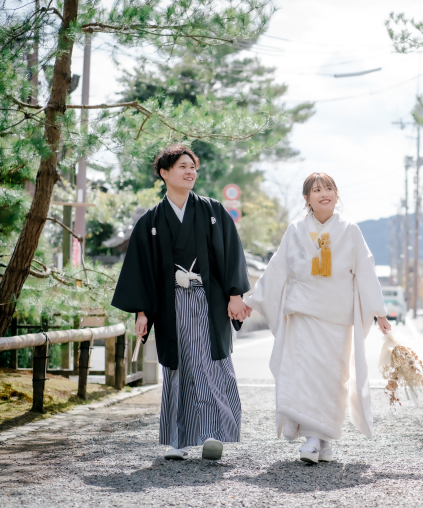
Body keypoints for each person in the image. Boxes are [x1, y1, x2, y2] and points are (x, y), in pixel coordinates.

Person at [111, 144, 251, 461]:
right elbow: (141, 269)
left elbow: (231, 254)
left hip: (208, 300)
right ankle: (178, 437)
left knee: (214, 365)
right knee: (178, 368)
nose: (190, 172)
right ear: (164, 173)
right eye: (182, 167)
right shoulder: (151, 221)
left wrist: (235, 294)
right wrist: (142, 312)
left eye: (193, 167)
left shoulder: (213, 211)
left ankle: (214, 434)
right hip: (171, 305)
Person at [246, 172, 390, 464]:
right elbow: (277, 268)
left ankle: (323, 440)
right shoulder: (296, 229)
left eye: (329, 188)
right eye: (316, 190)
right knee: (305, 375)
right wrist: (253, 300)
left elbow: (365, 270)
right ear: (307, 198)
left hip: (337, 317)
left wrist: (379, 312)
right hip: (303, 313)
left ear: (337, 194)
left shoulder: (350, 230)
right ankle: (313, 438)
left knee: (333, 378)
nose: (324, 194)